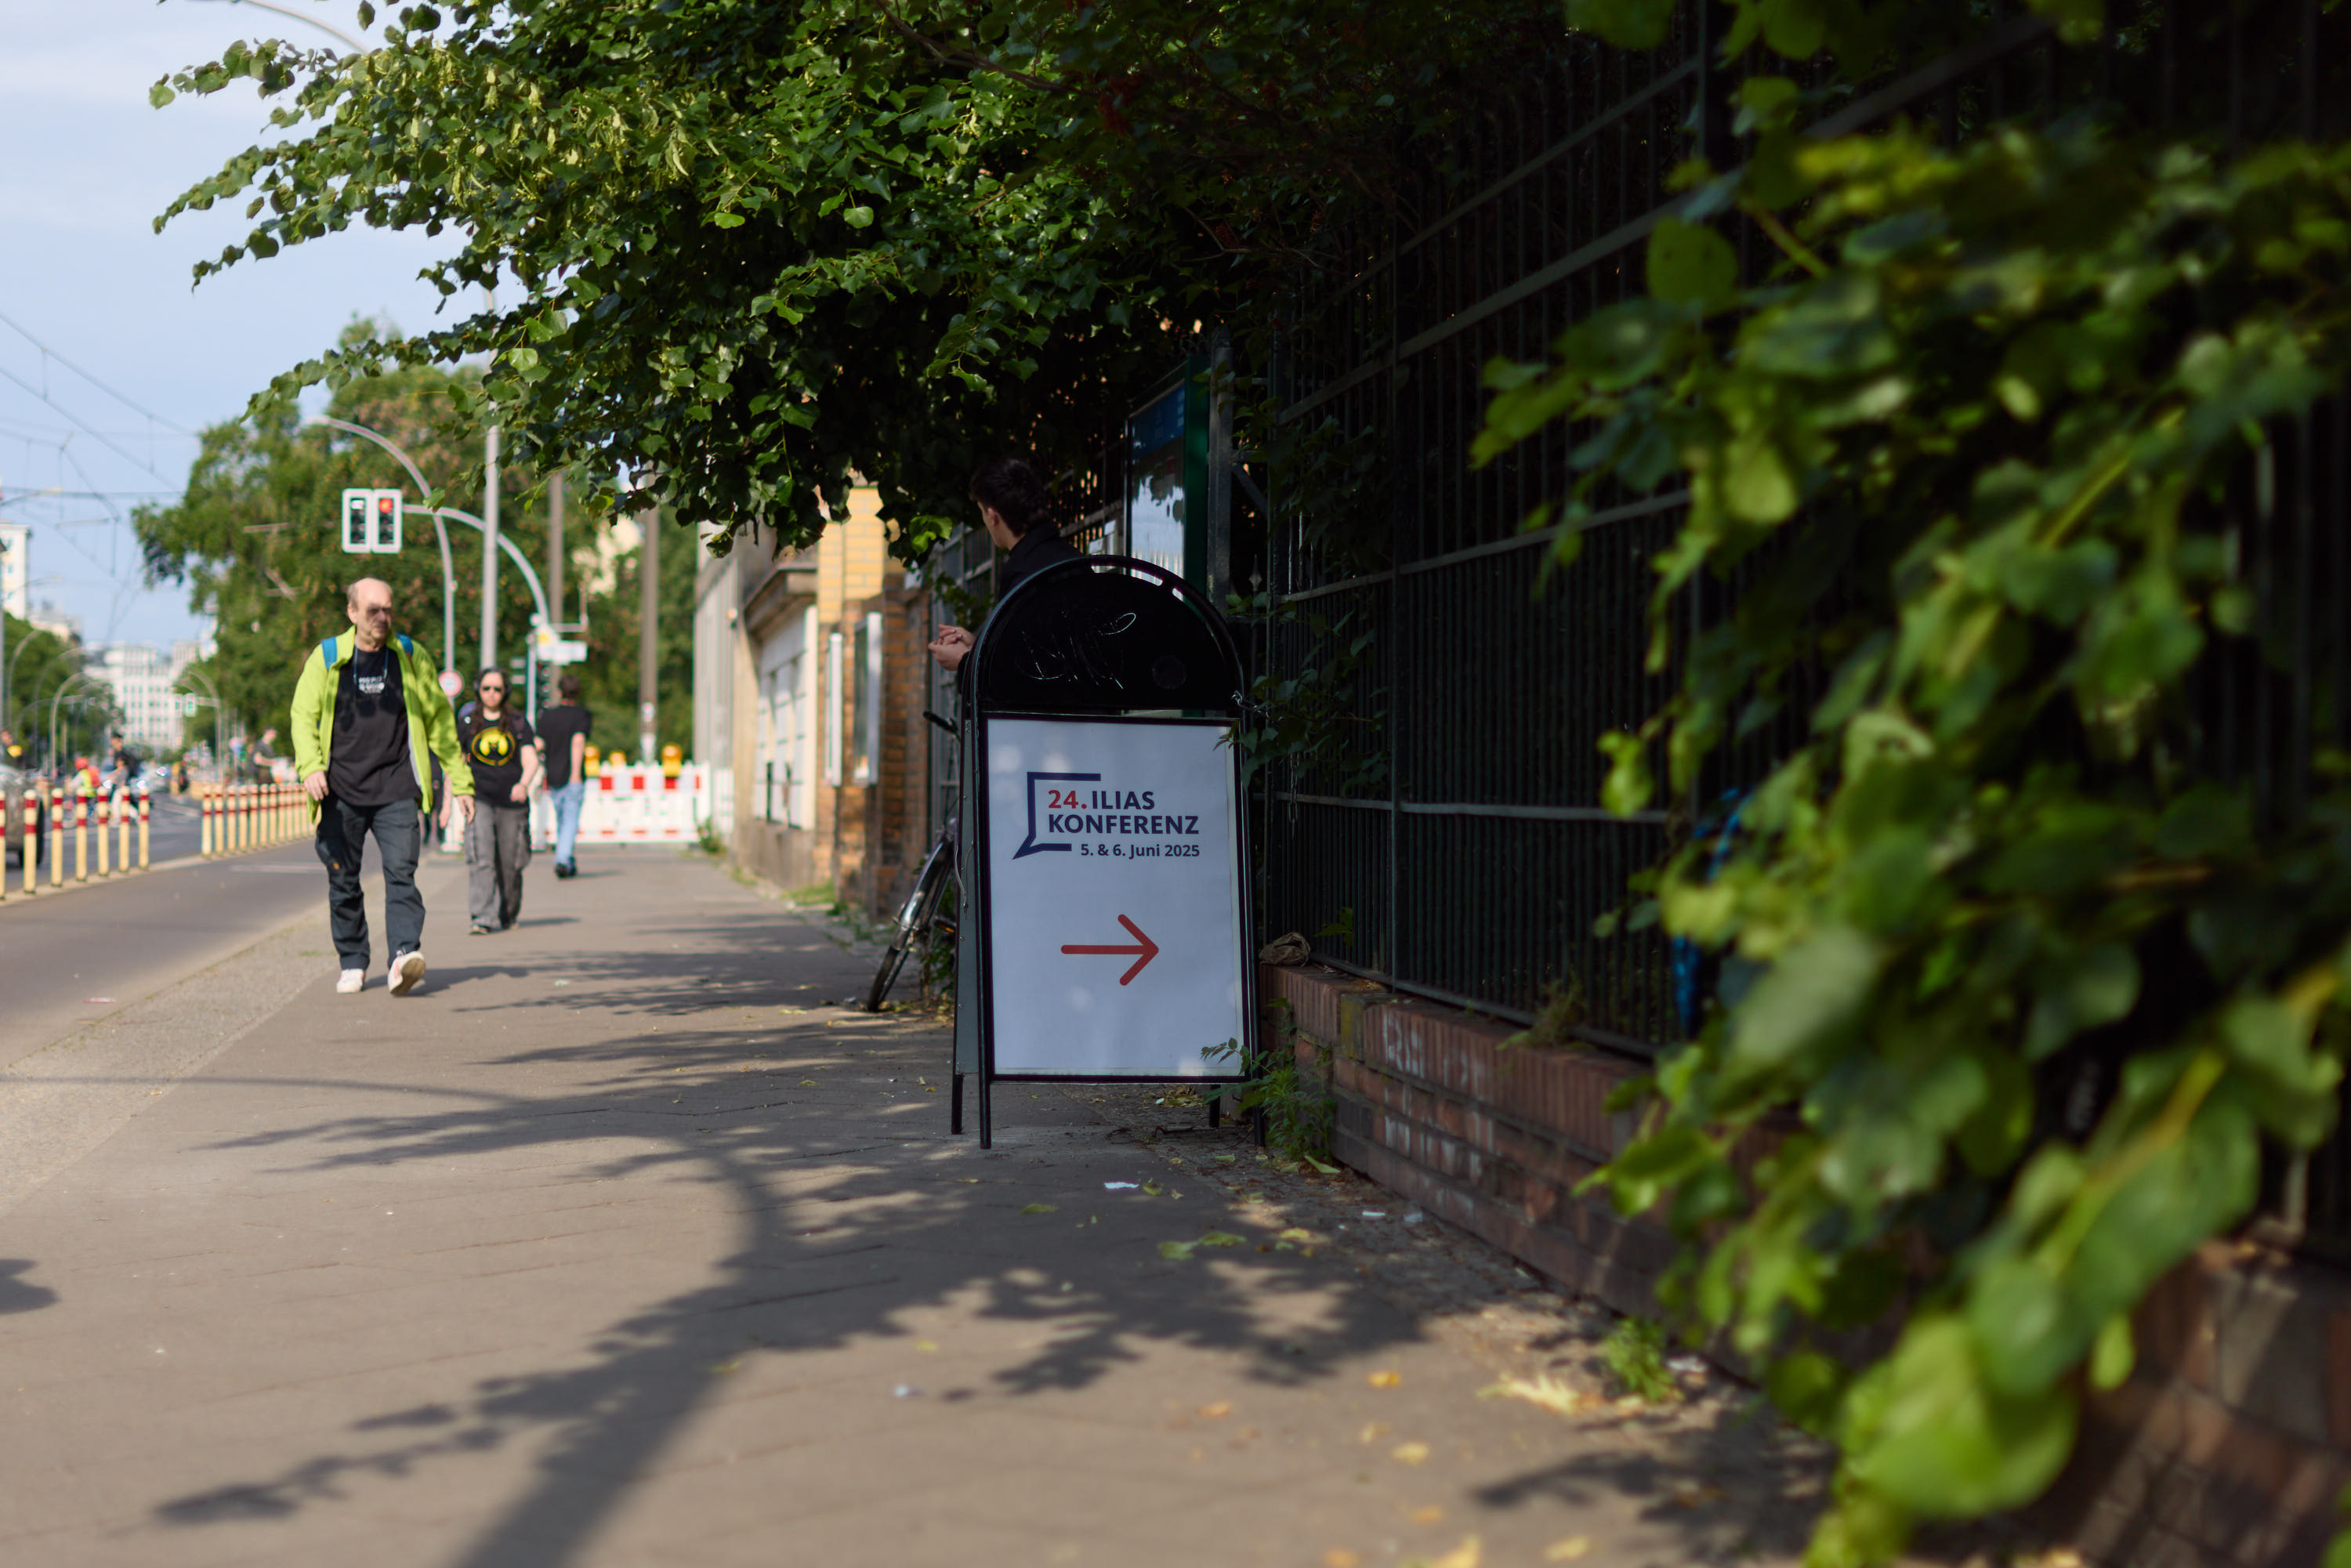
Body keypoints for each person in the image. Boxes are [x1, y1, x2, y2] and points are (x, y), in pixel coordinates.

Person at [292, 577, 476, 997]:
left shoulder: (409, 655)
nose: (382, 617)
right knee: (343, 879)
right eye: (373, 610)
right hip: (339, 790)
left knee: (401, 874)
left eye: (388, 609)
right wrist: (310, 767)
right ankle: (353, 960)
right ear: (352, 613)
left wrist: (461, 783)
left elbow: (439, 720)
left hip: (396, 786)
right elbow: (302, 714)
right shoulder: (328, 657)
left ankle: (403, 957)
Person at [926, 457, 1081, 674]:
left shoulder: (1026, 574)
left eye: (981, 512)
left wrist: (964, 662)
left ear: (992, 516)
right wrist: (978, 646)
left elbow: (1023, 671)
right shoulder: (1070, 557)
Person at [455, 667, 541, 933]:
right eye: (486, 688)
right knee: (482, 857)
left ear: (505, 692)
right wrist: (454, 796)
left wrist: (523, 784)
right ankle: (482, 917)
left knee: (510, 862)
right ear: (478, 690)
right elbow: (457, 760)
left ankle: (507, 913)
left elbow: (531, 758)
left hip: (512, 801)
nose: (491, 693)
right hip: (479, 798)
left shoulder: (517, 721)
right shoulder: (468, 722)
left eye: (497, 689)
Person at [535, 671, 592, 878]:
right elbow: (578, 742)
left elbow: (538, 744)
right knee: (570, 820)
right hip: (571, 776)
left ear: (559, 692)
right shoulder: (581, 716)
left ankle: (567, 860)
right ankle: (562, 859)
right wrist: (575, 774)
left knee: (562, 820)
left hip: (553, 776)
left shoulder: (547, 716)